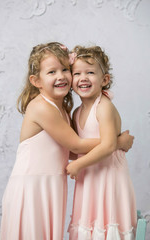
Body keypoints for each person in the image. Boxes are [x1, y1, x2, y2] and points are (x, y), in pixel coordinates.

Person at [0, 42, 134, 240]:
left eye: (65, 69)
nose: (61, 76)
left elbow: (68, 152)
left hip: (51, 183)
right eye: (52, 72)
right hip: (33, 185)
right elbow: (76, 145)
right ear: (36, 81)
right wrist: (116, 142)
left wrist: (110, 144)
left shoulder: (63, 110)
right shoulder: (41, 107)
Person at [67, 45, 137, 240]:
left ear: (104, 79)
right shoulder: (77, 112)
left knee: (106, 223)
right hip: (90, 177)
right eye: (77, 73)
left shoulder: (104, 107)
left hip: (108, 175)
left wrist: (79, 164)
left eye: (90, 72)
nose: (83, 78)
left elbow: (108, 146)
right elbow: (76, 147)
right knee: (89, 224)